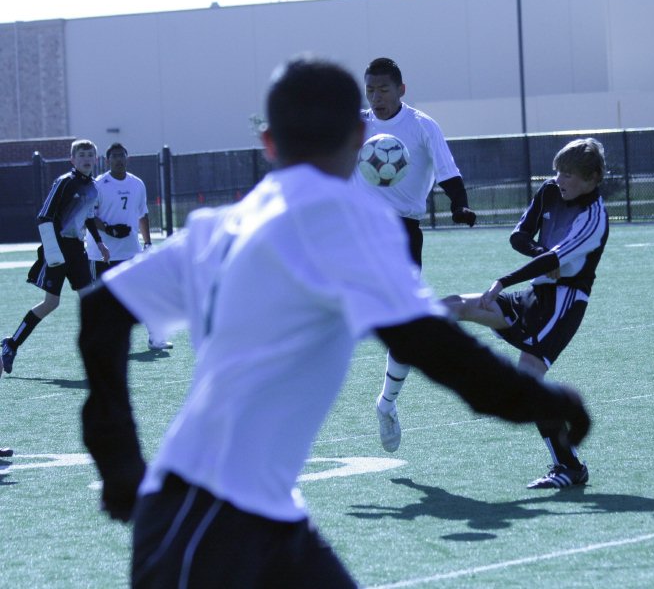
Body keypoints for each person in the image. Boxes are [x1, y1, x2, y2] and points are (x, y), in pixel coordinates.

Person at [78, 55, 590, 587]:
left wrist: (118, 463)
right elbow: (432, 345)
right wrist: (544, 401)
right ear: (359, 136)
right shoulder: (346, 220)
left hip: (252, 515)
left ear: (269, 143)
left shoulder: (221, 225)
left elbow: (100, 312)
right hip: (207, 521)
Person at [441, 138, 609, 489]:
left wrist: (503, 281)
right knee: (453, 307)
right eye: (558, 171)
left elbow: (553, 261)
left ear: (592, 179)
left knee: (528, 382)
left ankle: (569, 466)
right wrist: (538, 253)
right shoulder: (550, 191)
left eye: (570, 175)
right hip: (535, 295)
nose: (560, 180)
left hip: (563, 304)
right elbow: (519, 237)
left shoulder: (594, 217)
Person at [359, 57, 478, 453]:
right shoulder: (356, 126)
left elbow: (449, 174)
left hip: (402, 233)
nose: (376, 97)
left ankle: (386, 403)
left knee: (405, 329)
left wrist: (458, 206)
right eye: (370, 89)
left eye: (384, 89)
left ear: (401, 90)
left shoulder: (423, 126)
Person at [1, 140, 109, 380]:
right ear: (72, 159)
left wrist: (99, 242)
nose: (87, 158)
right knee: (51, 303)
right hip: (58, 250)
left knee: (90, 301)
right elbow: (44, 216)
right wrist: (52, 252)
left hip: (77, 251)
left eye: (90, 154)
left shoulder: (93, 186)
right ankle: (11, 344)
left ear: (96, 158)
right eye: (81, 154)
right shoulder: (64, 182)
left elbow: (89, 217)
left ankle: (98, 358)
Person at [87, 142, 173, 351]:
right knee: (103, 299)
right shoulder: (99, 184)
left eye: (121, 155)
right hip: (101, 253)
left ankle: (155, 337)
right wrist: (110, 229)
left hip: (130, 250)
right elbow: (89, 217)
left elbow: (142, 214)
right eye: (114, 156)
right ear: (107, 161)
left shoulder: (137, 184)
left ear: (127, 158)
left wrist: (148, 242)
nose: (118, 159)